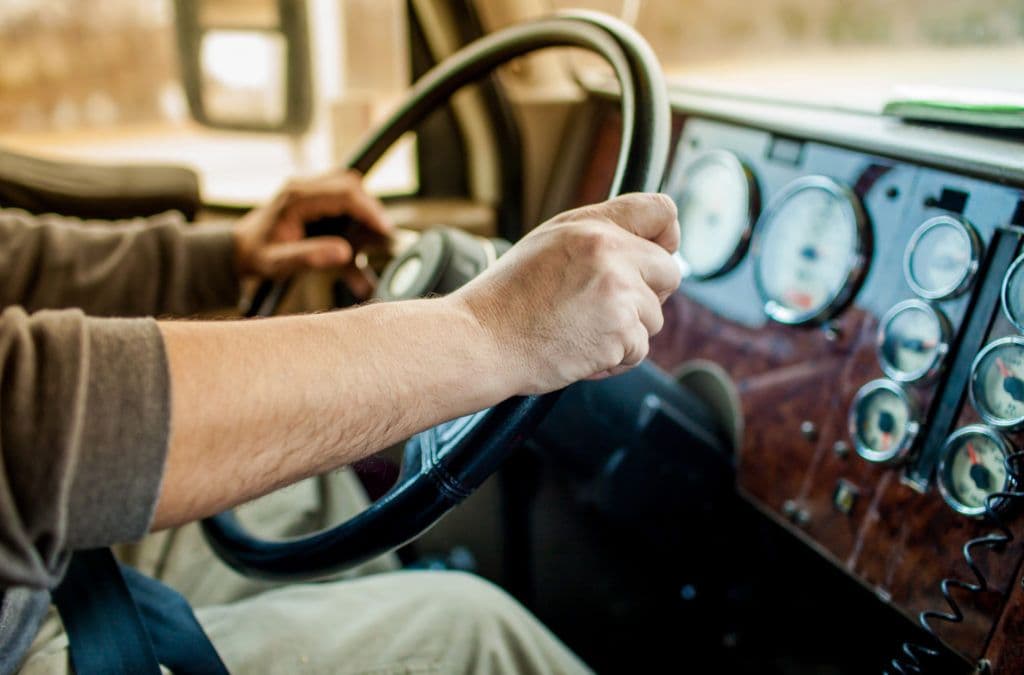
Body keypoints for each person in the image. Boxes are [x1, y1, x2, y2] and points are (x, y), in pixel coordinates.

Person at [0, 168, 682, 674]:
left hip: (37, 560)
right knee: (469, 631)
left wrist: (226, 255)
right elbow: (34, 422)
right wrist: (489, 329)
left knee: (295, 493)